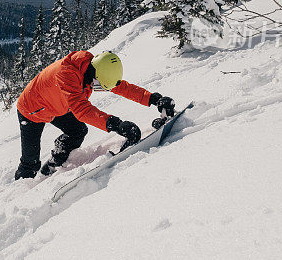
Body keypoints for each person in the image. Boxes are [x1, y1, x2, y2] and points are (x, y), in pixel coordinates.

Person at [14, 50, 175, 180]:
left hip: (58, 105)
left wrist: (153, 98)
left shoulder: (93, 70)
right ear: (94, 73)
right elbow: (82, 110)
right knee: (30, 162)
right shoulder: (66, 74)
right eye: (97, 84)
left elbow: (120, 86)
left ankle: (55, 162)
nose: (94, 87)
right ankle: (20, 194)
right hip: (31, 110)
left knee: (78, 131)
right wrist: (116, 124)